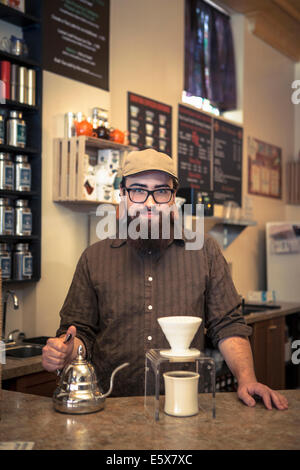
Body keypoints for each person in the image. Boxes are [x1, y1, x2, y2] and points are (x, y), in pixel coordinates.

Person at [43, 148, 288, 410]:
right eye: (138, 190)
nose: (150, 202)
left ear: (173, 198)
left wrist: (247, 379)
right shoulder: (94, 258)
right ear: (123, 196)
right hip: (111, 408)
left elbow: (227, 325)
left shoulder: (205, 251)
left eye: (161, 191)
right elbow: (80, 333)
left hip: (187, 406)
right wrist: (68, 351)